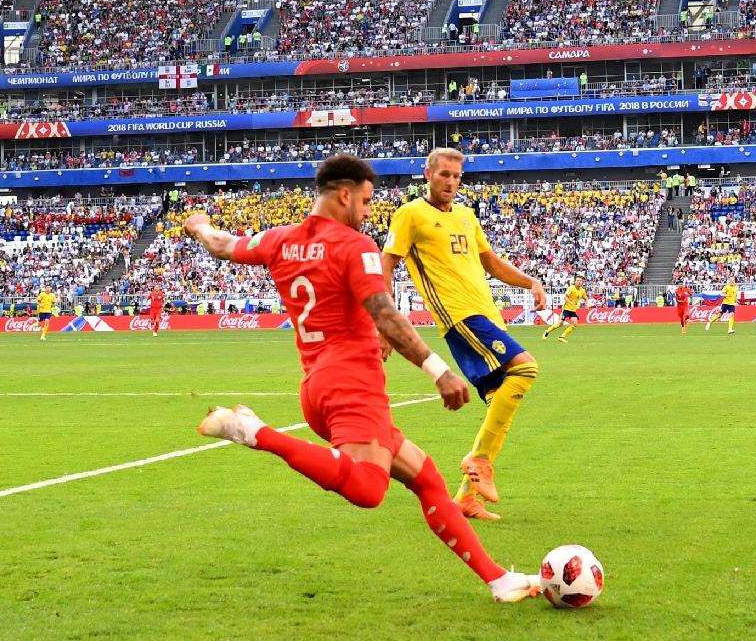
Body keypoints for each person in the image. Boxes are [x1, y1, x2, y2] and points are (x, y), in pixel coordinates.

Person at [181, 154, 541, 603]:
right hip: (353, 385)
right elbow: (384, 313)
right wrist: (439, 369)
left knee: (427, 478)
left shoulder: (278, 240)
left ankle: (498, 579)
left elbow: (222, 244)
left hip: (317, 385)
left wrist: (198, 226)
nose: (369, 213)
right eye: (367, 202)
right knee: (369, 489)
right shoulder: (354, 247)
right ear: (345, 194)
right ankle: (254, 432)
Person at [382, 147, 548, 523]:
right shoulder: (410, 214)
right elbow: (386, 264)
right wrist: (385, 323)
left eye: (457, 176)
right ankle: (479, 460)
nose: (452, 183)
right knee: (525, 368)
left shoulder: (467, 216)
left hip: (488, 315)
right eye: (444, 175)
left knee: (501, 406)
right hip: (459, 317)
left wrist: (530, 281)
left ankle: (466, 498)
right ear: (428, 173)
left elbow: (490, 262)